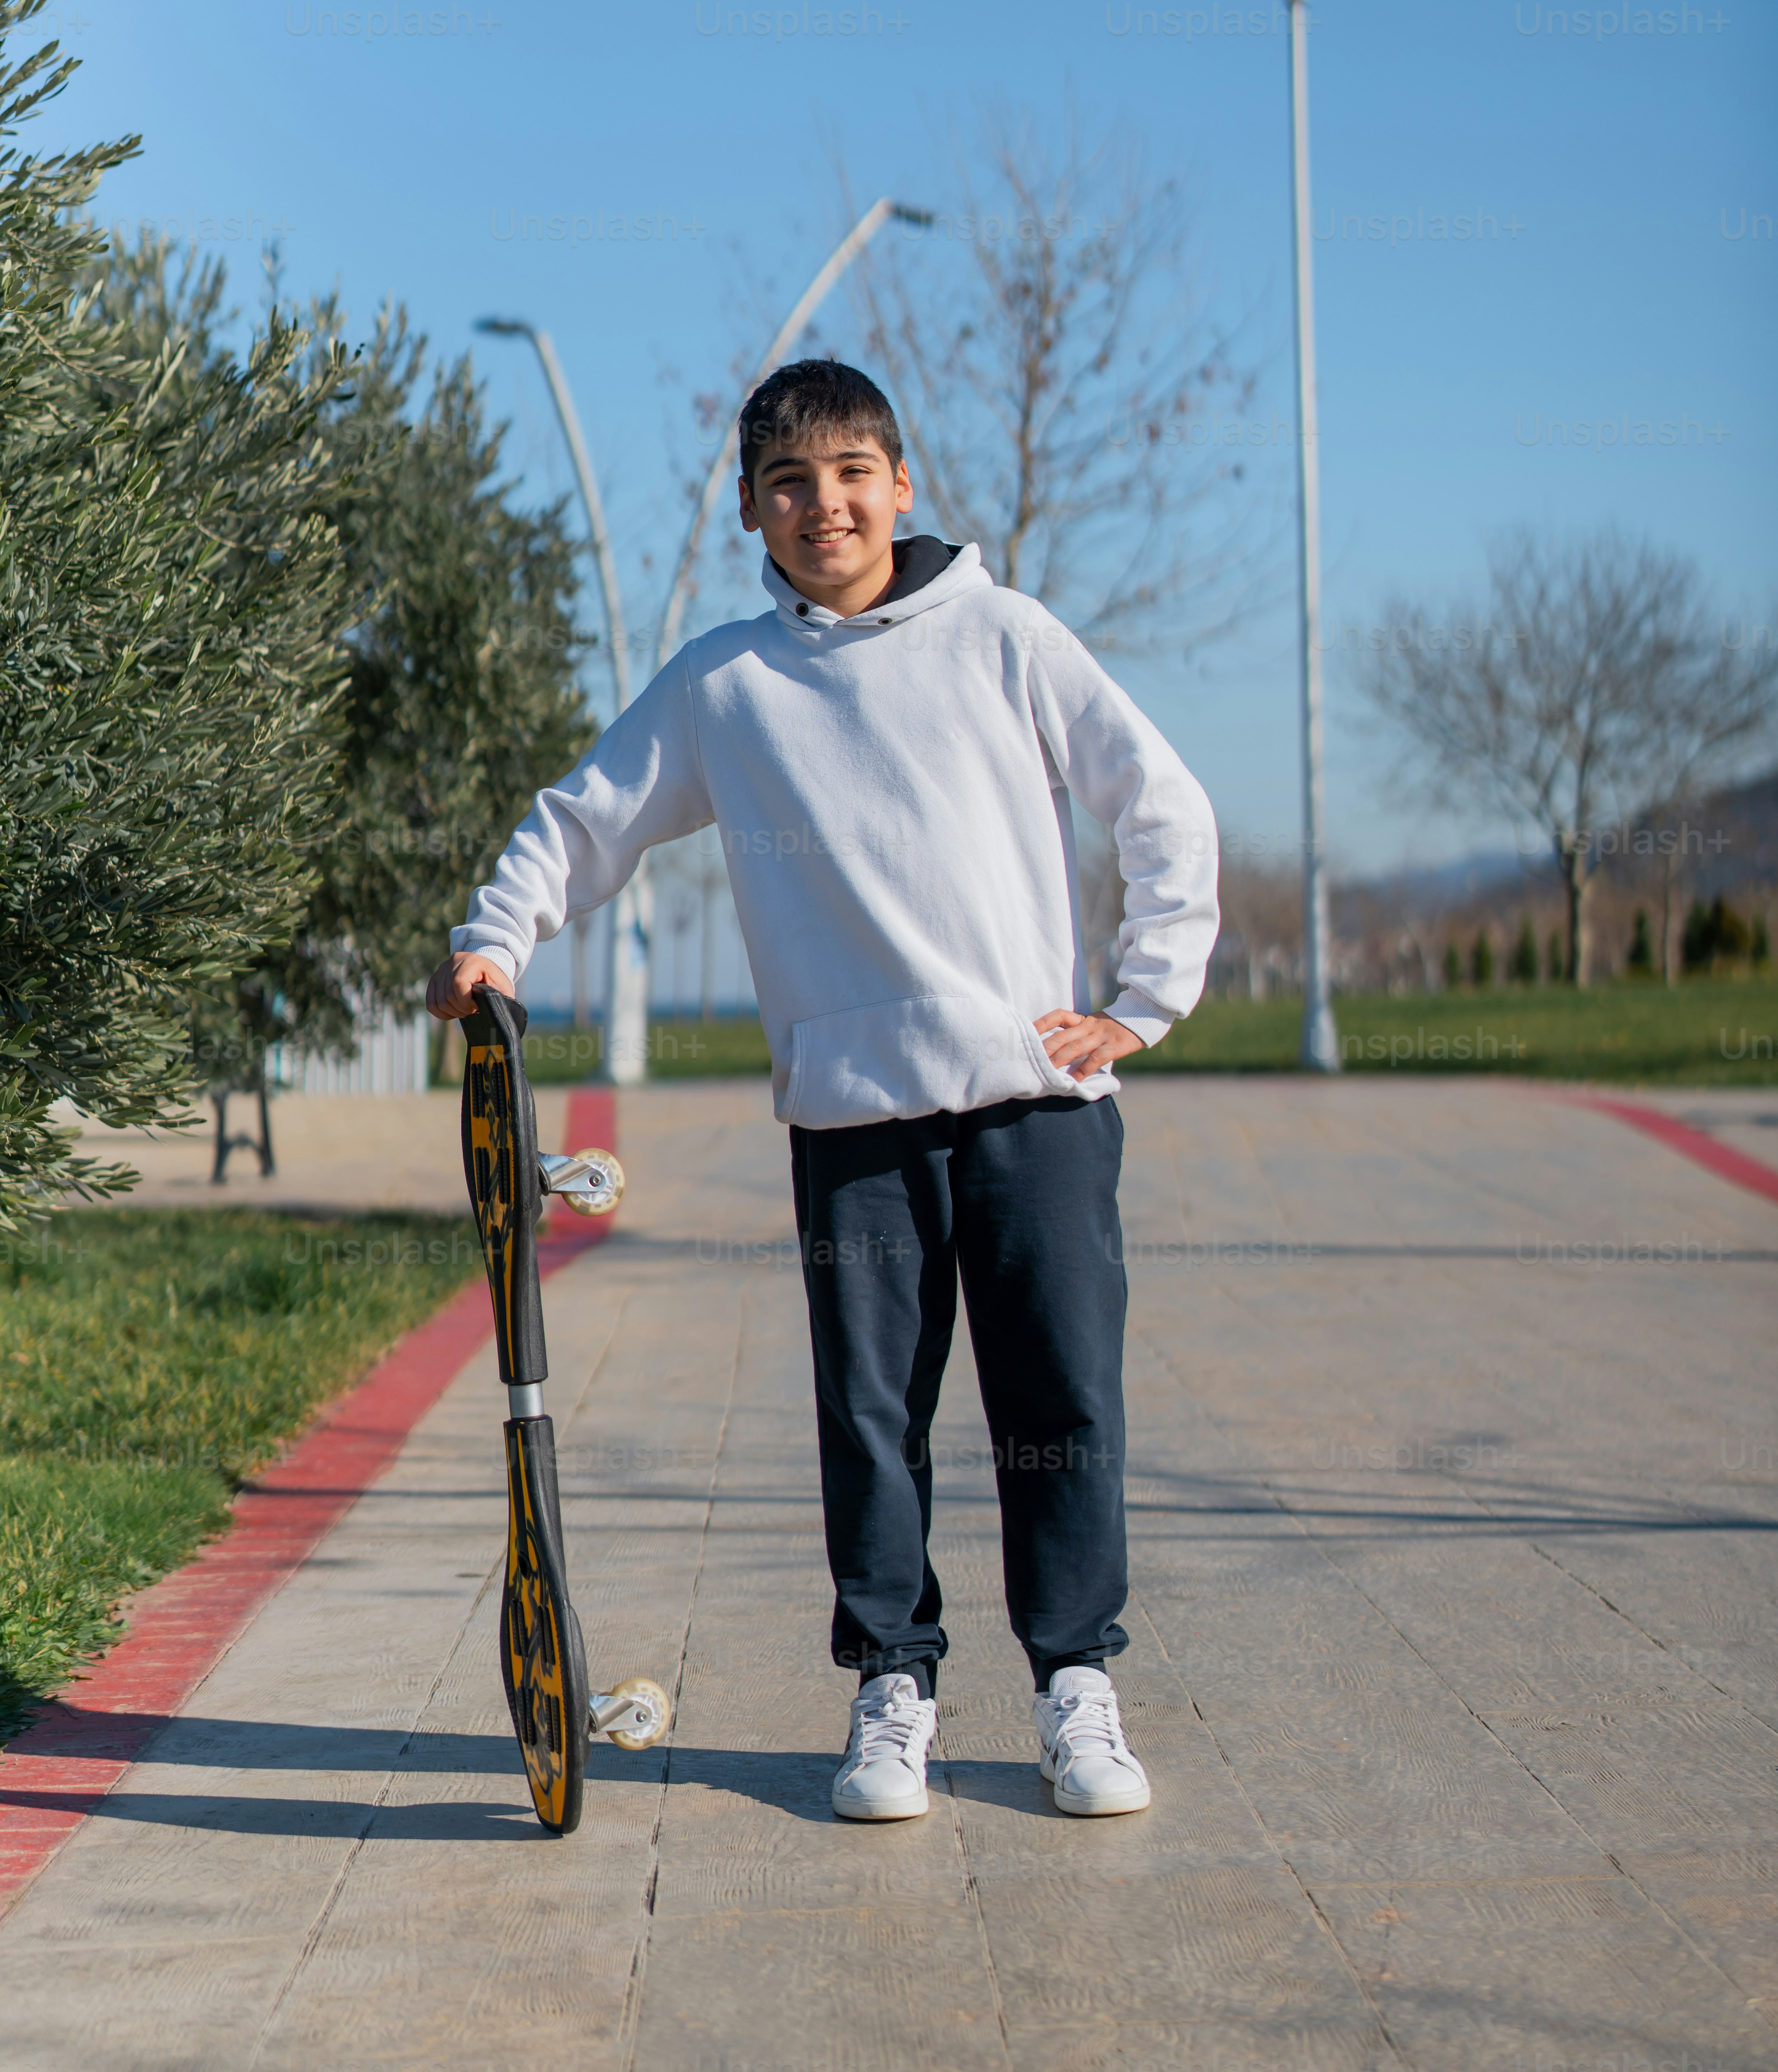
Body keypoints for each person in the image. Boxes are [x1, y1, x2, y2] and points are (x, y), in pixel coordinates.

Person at [427, 359, 1219, 1821]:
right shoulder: (728, 686)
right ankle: (892, 1689)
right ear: (750, 509)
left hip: (1035, 1105)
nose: (824, 504)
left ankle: (1074, 1689)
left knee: (1059, 1402)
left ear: (902, 484)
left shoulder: (1005, 635)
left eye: (852, 471)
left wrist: (1141, 1002)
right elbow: (580, 820)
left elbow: (1158, 799)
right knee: (869, 1418)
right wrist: (492, 941)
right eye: (789, 482)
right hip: (852, 1123)